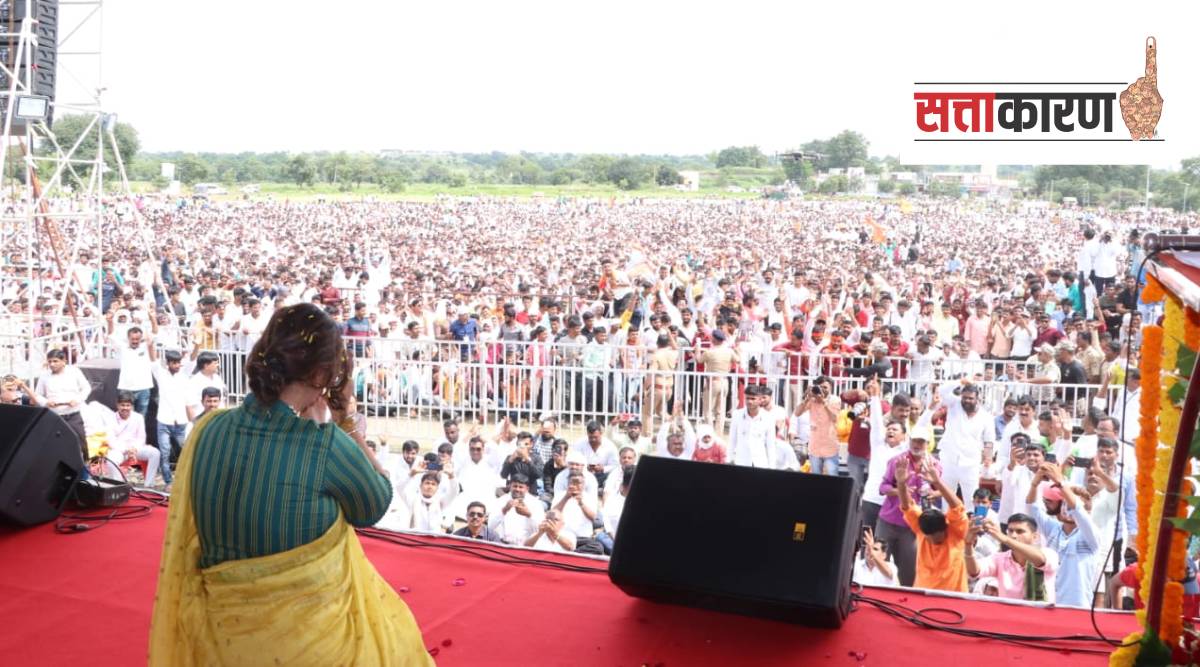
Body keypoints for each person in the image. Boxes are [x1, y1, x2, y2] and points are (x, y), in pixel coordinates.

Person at [148, 303, 431, 666]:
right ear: (322, 373)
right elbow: (376, 502)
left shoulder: (208, 428)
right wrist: (347, 425)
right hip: (311, 651)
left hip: (220, 644)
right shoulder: (324, 445)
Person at [1024, 462, 1100, 608]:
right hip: (1050, 602)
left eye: (1070, 505)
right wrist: (1035, 483)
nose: (1067, 509)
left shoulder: (1090, 535)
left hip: (1077, 606)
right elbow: (1031, 507)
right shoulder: (1053, 528)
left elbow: (1077, 509)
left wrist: (1060, 482)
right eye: (1064, 504)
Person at [896, 456, 969, 593]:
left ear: (944, 528)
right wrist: (900, 484)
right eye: (927, 537)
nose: (930, 540)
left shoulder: (956, 531)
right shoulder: (921, 528)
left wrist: (938, 482)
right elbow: (907, 506)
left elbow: (957, 506)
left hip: (954, 597)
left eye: (936, 537)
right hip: (922, 596)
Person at [966, 513, 1058, 602]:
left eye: (1020, 531)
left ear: (1035, 536)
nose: (1013, 535)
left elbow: (1040, 560)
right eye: (1010, 531)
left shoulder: (1048, 553)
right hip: (1008, 612)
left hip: (1040, 612)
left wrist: (1005, 539)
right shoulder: (1000, 558)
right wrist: (968, 544)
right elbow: (974, 571)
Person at [32, 348, 92, 465]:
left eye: (55, 361)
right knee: (55, 444)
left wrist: (77, 400)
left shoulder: (74, 372)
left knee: (80, 442)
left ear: (64, 361)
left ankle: (85, 468)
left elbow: (86, 388)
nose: (52, 364)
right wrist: (46, 402)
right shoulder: (44, 376)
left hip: (73, 415)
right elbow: (37, 395)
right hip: (55, 416)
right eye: (50, 361)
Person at [490, 474, 545, 546]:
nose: (517, 489)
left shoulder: (535, 503)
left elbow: (540, 530)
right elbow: (490, 526)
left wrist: (529, 515)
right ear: (510, 486)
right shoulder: (501, 501)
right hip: (503, 545)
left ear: (527, 489)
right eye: (515, 486)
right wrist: (504, 510)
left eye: (521, 487)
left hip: (525, 547)